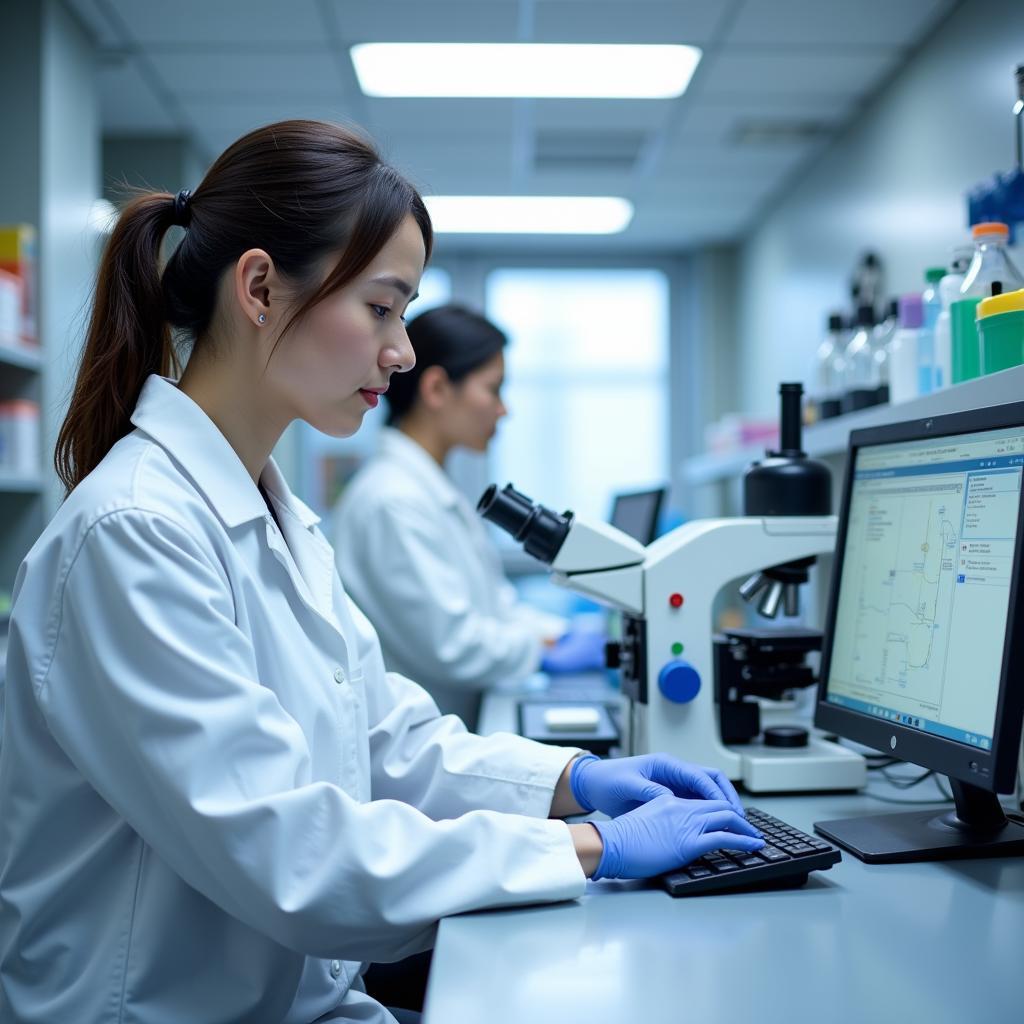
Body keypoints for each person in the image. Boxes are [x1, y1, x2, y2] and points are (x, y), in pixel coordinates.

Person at [0, 120, 764, 1024]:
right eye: (381, 308)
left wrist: (572, 779)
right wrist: (590, 847)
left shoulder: (271, 516)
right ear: (258, 288)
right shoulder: (136, 532)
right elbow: (290, 857)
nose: (401, 352)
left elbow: (384, 740)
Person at [334, 304, 605, 729]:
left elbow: (496, 608)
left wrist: (562, 632)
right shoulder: (392, 500)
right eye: (493, 389)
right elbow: (454, 645)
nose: (503, 410)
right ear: (438, 388)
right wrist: (545, 650)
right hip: (418, 741)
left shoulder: (430, 490)